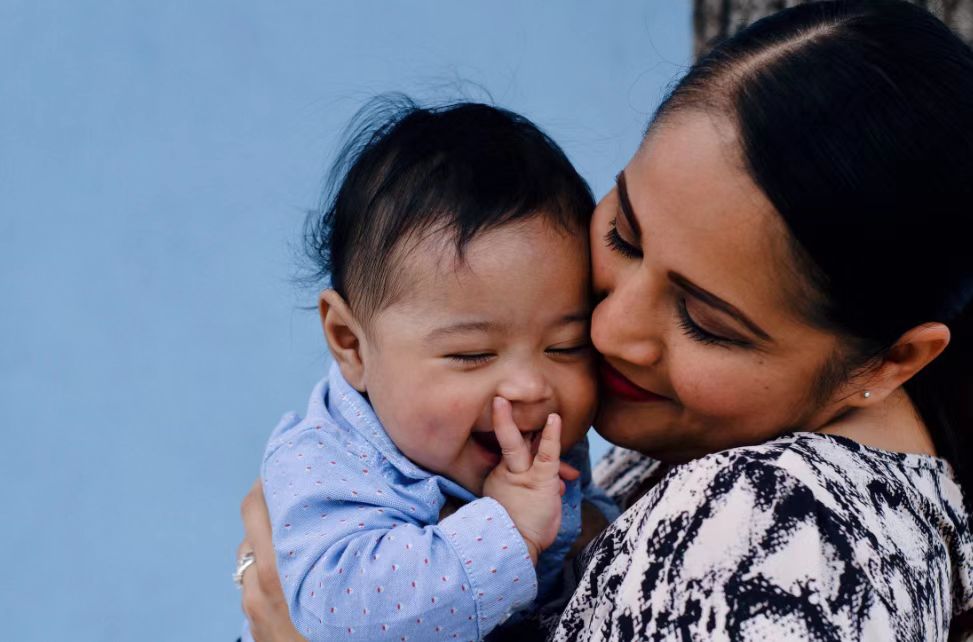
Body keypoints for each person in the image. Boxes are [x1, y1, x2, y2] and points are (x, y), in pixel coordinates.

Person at [238, 1, 973, 639]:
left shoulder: (778, 534)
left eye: (703, 320)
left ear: (891, 361)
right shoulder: (683, 437)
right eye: (623, 234)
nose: (606, 331)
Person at [237, 100, 618, 642]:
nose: (533, 387)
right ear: (351, 343)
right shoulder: (325, 464)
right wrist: (506, 530)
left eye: (566, 346)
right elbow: (344, 616)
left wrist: (596, 536)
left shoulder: (526, 438)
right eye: (472, 354)